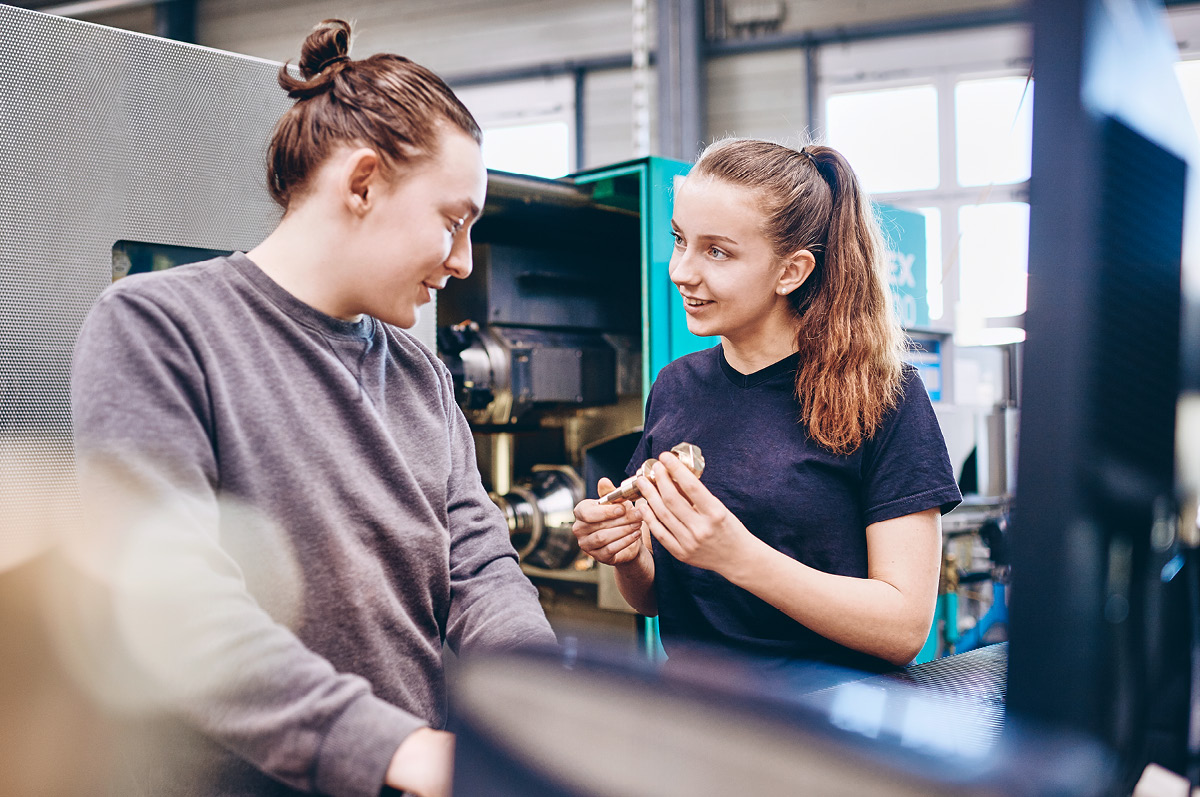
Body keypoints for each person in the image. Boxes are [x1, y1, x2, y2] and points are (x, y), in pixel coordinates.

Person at [69, 19, 555, 797]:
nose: (461, 260)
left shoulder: (423, 378)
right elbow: (168, 598)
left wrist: (547, 696)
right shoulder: (159, 329)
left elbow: (481, 569)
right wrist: (396, 750)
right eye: (453, 221)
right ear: (361, 183)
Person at [572, 139, 961, 682]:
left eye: (717, 252)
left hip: (826, 723)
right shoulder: (677, 385)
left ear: (791, 272)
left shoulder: (883, 393)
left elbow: (902, 629)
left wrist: (738, 556)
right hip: (699, 712)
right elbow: (656, 599)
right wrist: (629, 554)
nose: (682, 271)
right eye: (680, 241)